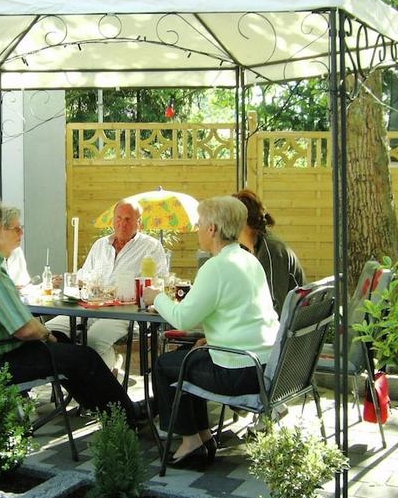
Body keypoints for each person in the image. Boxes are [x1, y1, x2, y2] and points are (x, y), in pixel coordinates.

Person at [0, 194, 146, 424]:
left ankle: (103, 409)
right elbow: (24, 329)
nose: (21, 234)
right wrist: (46, 335)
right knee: (84, 358)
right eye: (16, 229)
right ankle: (128, 415)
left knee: (70, 353)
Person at [143, 196, 279, 470]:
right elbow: (236, 313)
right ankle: (203, 436)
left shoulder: (215, 267)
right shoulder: (247, 259)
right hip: (262, 363)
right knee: (188, 357)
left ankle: (191, 439)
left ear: (213, 229)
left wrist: (154, 297)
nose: (196, 227)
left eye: (200, 222)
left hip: (237, 371)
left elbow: (183, 319)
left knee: (165, 365)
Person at [46, 200, 167, 372]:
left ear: (138, 223)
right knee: (49, 332)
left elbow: (156, 284)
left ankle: (102, 383)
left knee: (94, 339)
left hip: (126, 314)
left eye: (128, 219)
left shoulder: (151, 247)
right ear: (112, 220)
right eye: (119, 218)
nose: (122, 223)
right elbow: (84, 275)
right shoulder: (100, 245)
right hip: (90, 308)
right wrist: (67, 280)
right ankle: (80, 373)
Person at [232, 189, 305, 316]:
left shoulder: (271, 251)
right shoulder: (250, 248)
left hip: (287, 328)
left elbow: (274, 307)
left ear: (241, 221)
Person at [0, 206, 31, 288]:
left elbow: (26, 286)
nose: (21, 233)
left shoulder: (17, 252)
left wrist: (44, 286)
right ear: (0, 231)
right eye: (16, 229)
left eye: (21, 227)